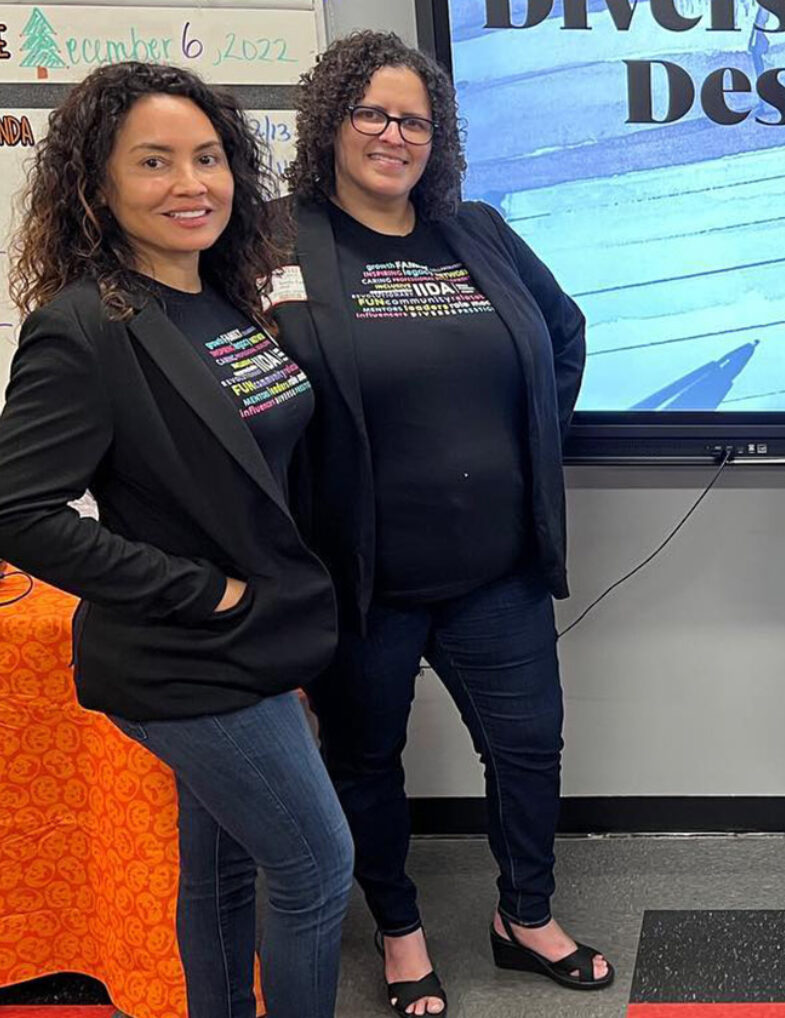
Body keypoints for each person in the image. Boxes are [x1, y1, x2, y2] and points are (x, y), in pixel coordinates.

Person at [0, 62, 352, 1018]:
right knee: (316, 870)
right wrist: (205, 592)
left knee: (222, 871)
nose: (192, 183)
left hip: (255, 640)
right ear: (97, 186)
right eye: (154, 162)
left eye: (208, 158)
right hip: (184, 658)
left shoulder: (220, 298)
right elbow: (11, 513)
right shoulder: (84, 328)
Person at [271, 30, 603, 1016]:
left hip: (496, 569)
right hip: (359, 578)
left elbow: (564, 332)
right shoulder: (277, 244)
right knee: (367, 759)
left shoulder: (478, 231)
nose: (393, 135)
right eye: (371, 113)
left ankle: (525, 916)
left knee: (529, 747)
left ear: (438, 137)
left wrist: (530, 444)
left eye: (414, 120)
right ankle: (401, 930)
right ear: (331, 125)